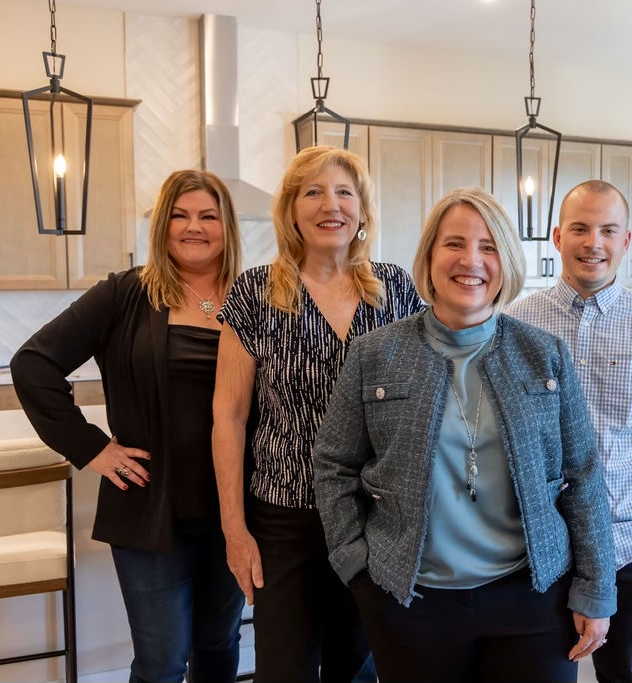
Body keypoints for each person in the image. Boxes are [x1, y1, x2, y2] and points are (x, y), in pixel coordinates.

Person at [312, 186, 617, 683]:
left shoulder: (544, 355)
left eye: (488, 246)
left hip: (532, 599)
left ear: (506, 262)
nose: (471, 261)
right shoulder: (375, 355)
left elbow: (583, 476)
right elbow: (334, 464)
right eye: (454, 243)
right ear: (430, 255)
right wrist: (356, 566)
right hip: (411, 603)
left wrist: (596, 587)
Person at [11, 170, 246, 683]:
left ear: (227, 226)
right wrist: (93, 448)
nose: (194, 227)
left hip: (234, 506)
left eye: (208, 216)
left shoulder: (253, 298)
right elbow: (33, 364)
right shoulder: (125, 293)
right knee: (162, 661)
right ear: (162, 225)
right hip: (148, 504)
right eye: (180, 215)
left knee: (220, 644)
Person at [211, 145, 421, 682]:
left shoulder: (396, 289)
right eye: (313, 192)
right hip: (286, 516)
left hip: (375, 514)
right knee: (285, 669)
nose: (332, 205)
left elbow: (426, 400)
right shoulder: (255, 293)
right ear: (291, 210)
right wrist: (235, 529)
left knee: (361, 668)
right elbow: (229, 417)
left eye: (345, 192)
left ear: (362, 209)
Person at [507, 180, 632, 683]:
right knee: (540, 675)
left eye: (607, 230)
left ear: (626, 241)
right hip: (543, 548)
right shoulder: (516, 323)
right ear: (558, 237)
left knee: (626, 674)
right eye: (580, 228)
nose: (593, 242)